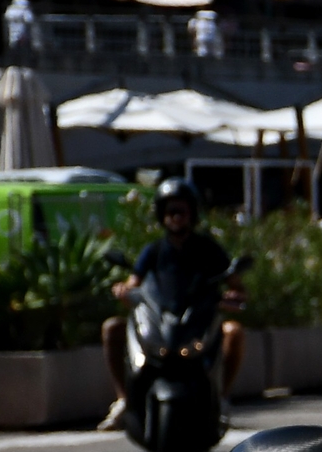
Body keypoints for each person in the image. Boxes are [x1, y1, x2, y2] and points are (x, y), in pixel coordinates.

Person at [99, 178, 245, 429]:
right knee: (112, 327)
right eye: (170, 211)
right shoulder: (153, 251)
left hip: (198, 320)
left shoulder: (208, 248)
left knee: (234, 331)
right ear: (161, 215)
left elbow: (236, 286)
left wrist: (233, 297)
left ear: (192, 214)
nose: (176, 217)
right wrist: (124, 290)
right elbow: (134, 282)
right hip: (161, 319)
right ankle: (124, 398)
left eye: (182, 211)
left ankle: (221, 398)